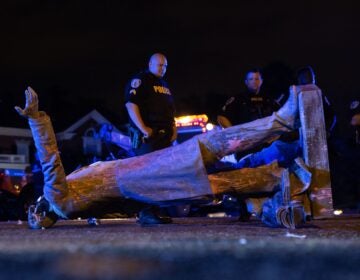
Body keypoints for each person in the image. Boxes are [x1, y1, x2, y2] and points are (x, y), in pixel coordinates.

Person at [15, 85, 304, 230]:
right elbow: (49, 159)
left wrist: (146, 210)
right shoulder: (57, 198)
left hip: (138, 183)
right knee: (209, 147)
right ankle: (282, 122)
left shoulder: (69, 205)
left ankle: (282, 176)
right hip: (137, 175)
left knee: (215, 183)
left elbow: (113, 205)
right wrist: (36, 119)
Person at [217, 68, 280, 162]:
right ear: (246, 82)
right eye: (251, 79)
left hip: (268, 147)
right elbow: (221, 118)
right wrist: (235, 134)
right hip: (246, 149)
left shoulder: (270, 100)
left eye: (257, 79)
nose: (254, 82)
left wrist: (276, 135)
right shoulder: (238, 99)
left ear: (261, 81)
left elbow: (282, 120)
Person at [124, 53, 177, 156]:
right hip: (148, 138)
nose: (163, 68)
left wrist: (174, 129)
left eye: (165, 66)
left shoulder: (163, 84)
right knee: (149, 170)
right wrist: (143, 128)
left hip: (166, 137)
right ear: (150, 64)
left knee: (167, 170)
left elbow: (170, 109)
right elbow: (131, 105)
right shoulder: (140, 80)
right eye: (160, 65)